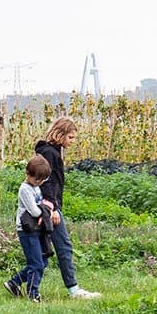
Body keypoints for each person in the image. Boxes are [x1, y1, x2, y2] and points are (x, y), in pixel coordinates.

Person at [34, 118, 100, 299]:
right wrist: (53, 209)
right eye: (70, 137)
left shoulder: (52, 151)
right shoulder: (49, 153)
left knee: (43, 253)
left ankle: (15, 282)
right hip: (49, 207)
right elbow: (46, 182)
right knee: (64, 247)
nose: (72, 141)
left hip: (48, 206)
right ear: (59, 134)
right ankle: (73, 289)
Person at [3, 154, 54, 302]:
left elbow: (41, 206)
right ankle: (33, 294)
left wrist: (44, 208)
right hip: (27, 230)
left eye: (41, 180)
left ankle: (14, 282)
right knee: (36, 264)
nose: (39, 183)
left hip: (38, 229)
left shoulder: (36, 188)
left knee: (43, 261)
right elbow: (35, 211)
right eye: (36, 179)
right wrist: (46, 209)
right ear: (27, 173)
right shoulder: (25, 189)